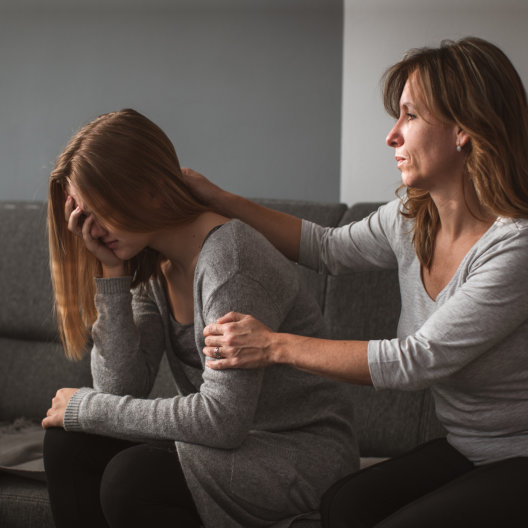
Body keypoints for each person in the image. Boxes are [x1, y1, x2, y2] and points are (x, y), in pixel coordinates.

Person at [181, 37, 528, 527]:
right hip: (466, 447)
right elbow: (325, 248)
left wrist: (273, 345)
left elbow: (417, 360)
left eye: (410, 115)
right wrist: (216, 197)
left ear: (463, 130)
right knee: (344, 505)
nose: (392, 136)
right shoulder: (413, 217)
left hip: (520, 457)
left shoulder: (515, 246)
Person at [41, 109, 358, 528]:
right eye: (84, 216)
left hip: (299, 455)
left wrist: (88, 407)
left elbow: (221, 420)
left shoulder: (230, 260)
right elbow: (120, 386)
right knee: (69, 444)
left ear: (151, 189)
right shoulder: (154, 264)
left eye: (100, 209)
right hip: (233, 446)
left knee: (132, 479)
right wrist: (112, 274)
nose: (93, 230)